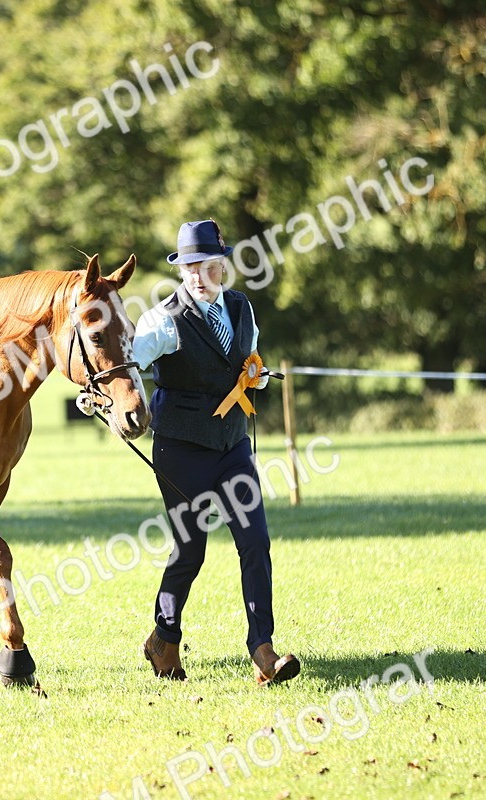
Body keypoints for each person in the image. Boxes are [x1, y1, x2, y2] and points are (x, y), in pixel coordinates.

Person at [132, 219, 299, 685]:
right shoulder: (163, 319)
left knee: (255, 541)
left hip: (232, 447)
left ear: (221, 266)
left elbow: (249, 362)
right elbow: (132, 358)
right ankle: (164, 638)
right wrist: (106, 393)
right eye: (187, 269)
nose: (196, 278)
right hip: (180, 449)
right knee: (191, 550)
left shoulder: (243, 309)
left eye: (205, 267)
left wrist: (257, 376)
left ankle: (263, 651)